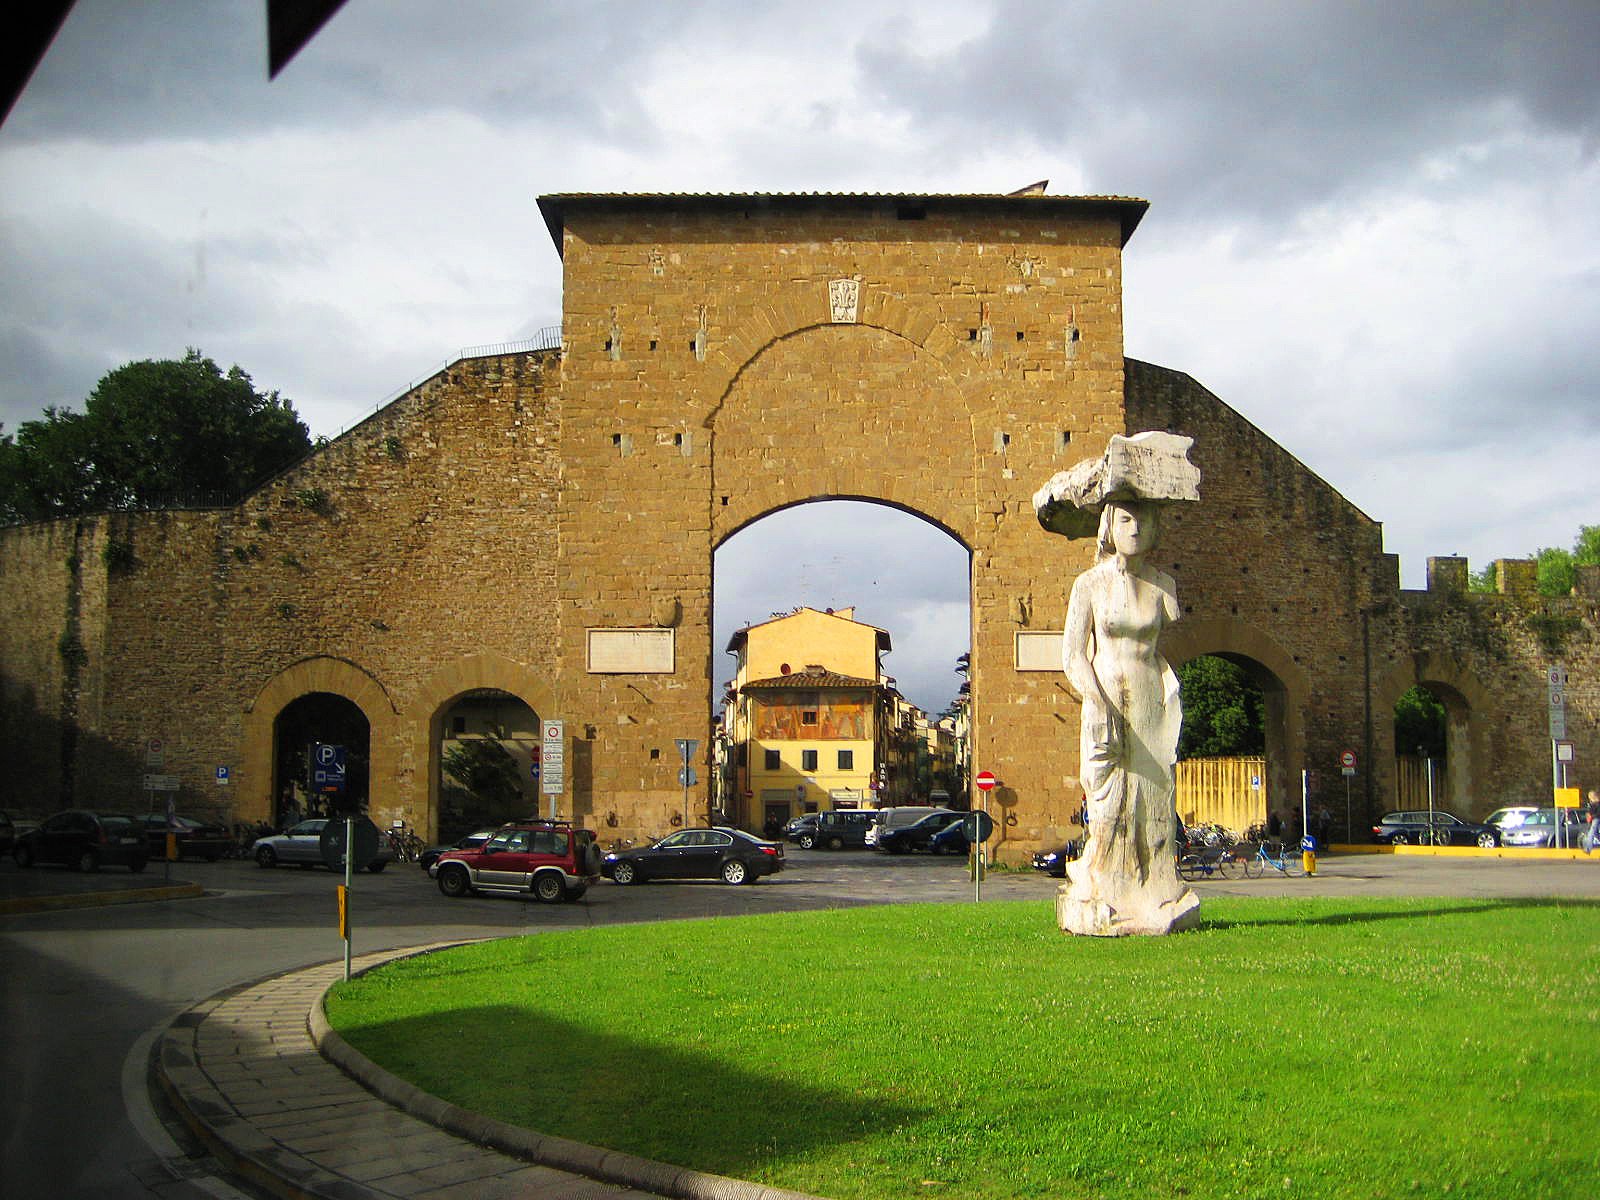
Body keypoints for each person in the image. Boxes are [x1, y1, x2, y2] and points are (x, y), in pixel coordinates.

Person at [1057, 499, 1200, 935]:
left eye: (1143, 519)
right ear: (1110, 525)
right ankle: (1102, 883)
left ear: (1156, 526)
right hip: (1105, 697)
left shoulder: (1164, 586)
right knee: (1108, 800)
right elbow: (1072, 656)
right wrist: (1096, 701)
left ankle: (1156, 887)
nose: (1135, 527)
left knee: (1154, 797)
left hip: (1150, 698)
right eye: (1125, 519)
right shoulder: (1090, 584)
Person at [1584, 789, 1600, 855]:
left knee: (1591, 832)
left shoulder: (1597, 803)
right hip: (1594, 819)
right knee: (1595, 833)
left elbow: (1598, 813)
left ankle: (1588, 849)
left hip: (1596, 819)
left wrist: (1591, 816)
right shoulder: (1591, 804)